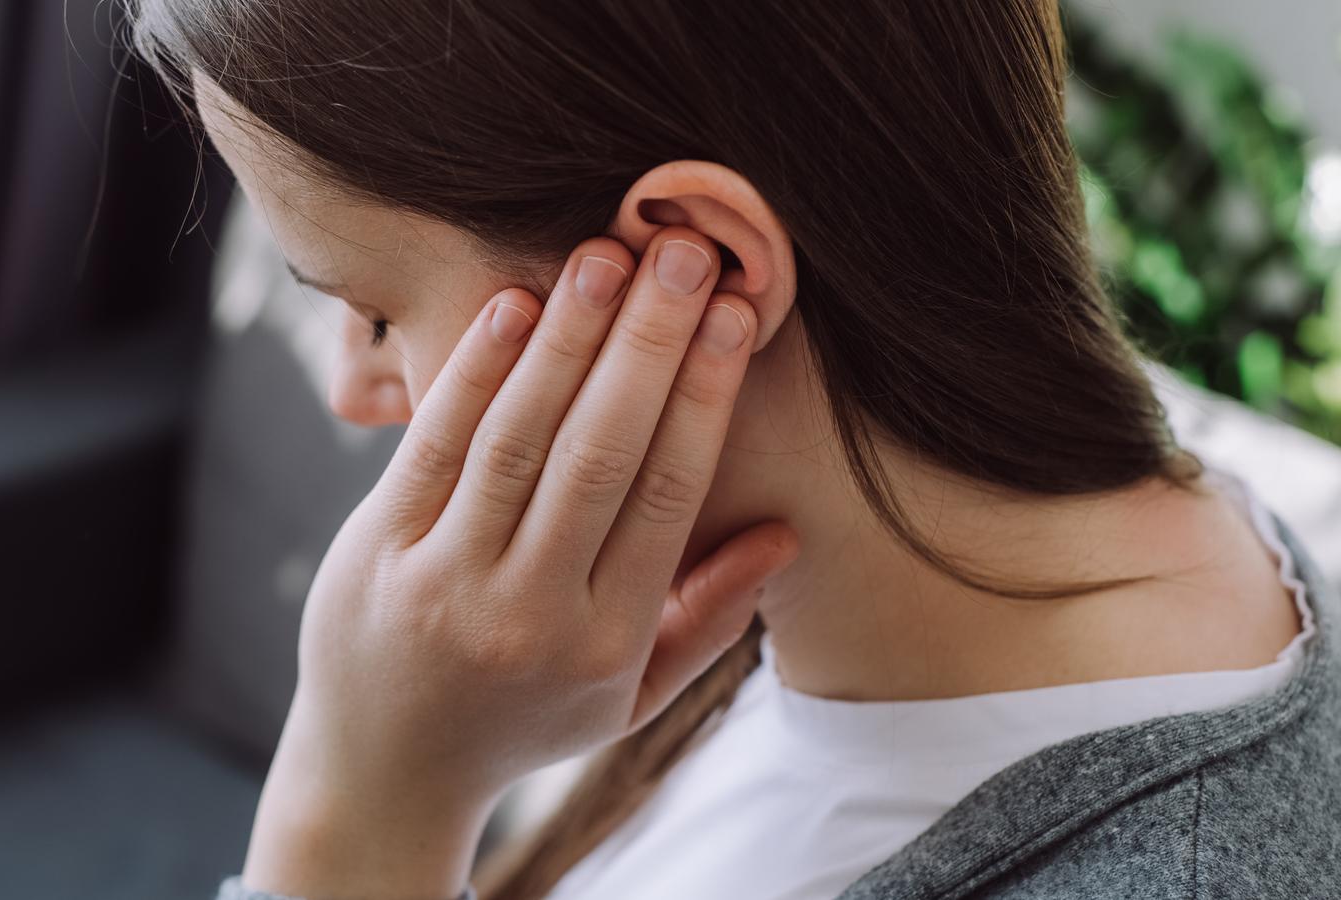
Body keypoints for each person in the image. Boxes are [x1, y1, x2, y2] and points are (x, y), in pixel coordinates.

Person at [127, 1, 1341, 897]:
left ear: (693, 264)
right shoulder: (788, 577)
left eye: (377, 308)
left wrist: (362, 810)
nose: (354, 387)